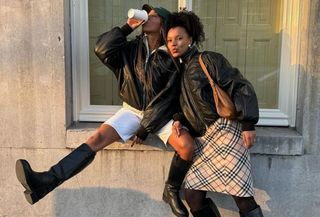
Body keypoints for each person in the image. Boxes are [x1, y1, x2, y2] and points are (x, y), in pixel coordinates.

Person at [15, 5, 194, 216]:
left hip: (160, 114)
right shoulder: (131, 49)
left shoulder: (172, 57)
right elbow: (102, 48)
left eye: (152, 15)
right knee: (96, 139)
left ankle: (171, 189)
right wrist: (127, 27)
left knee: (186, 146)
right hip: (132, 110)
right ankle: (45, 182)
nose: (147, 18)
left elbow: (168, 98)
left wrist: (146, 127)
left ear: (162, 24)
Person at [166, 11, 264, 217]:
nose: (173, 44)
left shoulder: (208, 59)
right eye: (169, 40)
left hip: (225, 130)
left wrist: (248, 123)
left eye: (179, 38)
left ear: (191, 39)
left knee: (242, 197)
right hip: (203, 139)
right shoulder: (180, 71)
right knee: (192, 194)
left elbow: (239, 86)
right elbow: (188, 105)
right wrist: (178, 119)